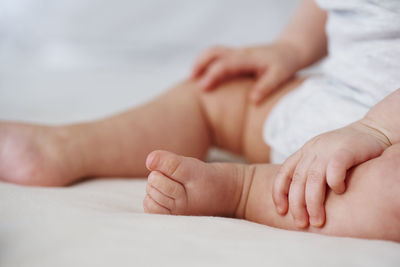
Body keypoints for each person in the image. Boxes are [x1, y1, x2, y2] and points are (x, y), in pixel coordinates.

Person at [0, 0, 399, 241]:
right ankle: (66, 146)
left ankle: (246, 191)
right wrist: (290, 48)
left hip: (386, 145)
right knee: (218, 92)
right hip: (337, 101)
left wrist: (376, 129)